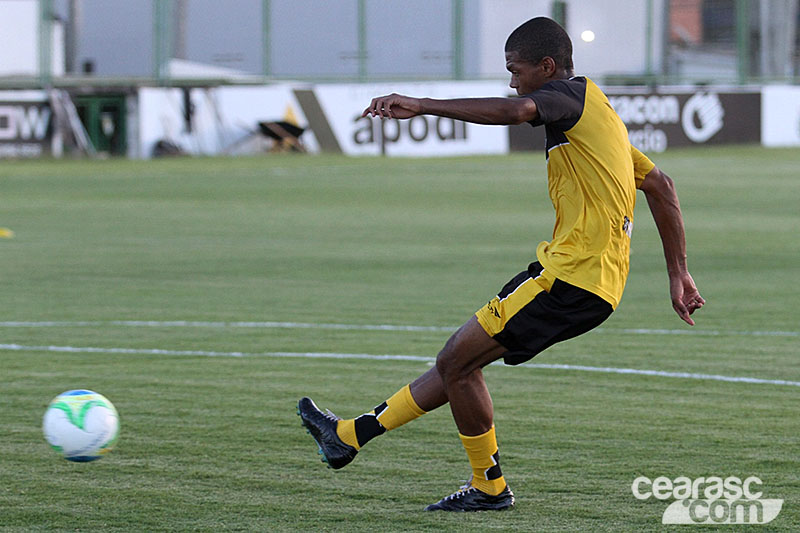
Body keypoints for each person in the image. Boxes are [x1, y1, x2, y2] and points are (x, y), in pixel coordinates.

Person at [298, 16, 705, 512]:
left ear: (547, 67)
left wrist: (424, 105)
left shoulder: (566, 99)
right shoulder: (598, 115)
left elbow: (519, 110)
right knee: (459, 363)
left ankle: (489, 487)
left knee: (457, 363)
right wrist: (678, 272)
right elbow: (662, 186)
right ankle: (349, 437)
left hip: (570, 277)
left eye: (516, 70)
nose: (512, 80)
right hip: (588, 280)